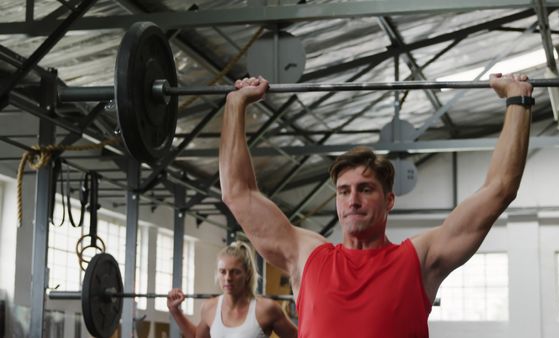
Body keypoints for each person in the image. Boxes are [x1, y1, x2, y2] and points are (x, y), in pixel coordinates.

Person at [219, 73, 533, 337]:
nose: (352, 200)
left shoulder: (418, 260)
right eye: (343, 191)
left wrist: (517, 101)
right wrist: (236, 105)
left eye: (365, 189)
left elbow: (499, 189)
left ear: (389, 200)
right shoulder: (306, 256)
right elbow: (237, 193)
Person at [166, 241, 298, 338]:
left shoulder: (266, 309)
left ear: (247, 274)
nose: (228, 278)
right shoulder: (209, 307)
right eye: (223, 272)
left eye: (235, 272)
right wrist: (175, 311)